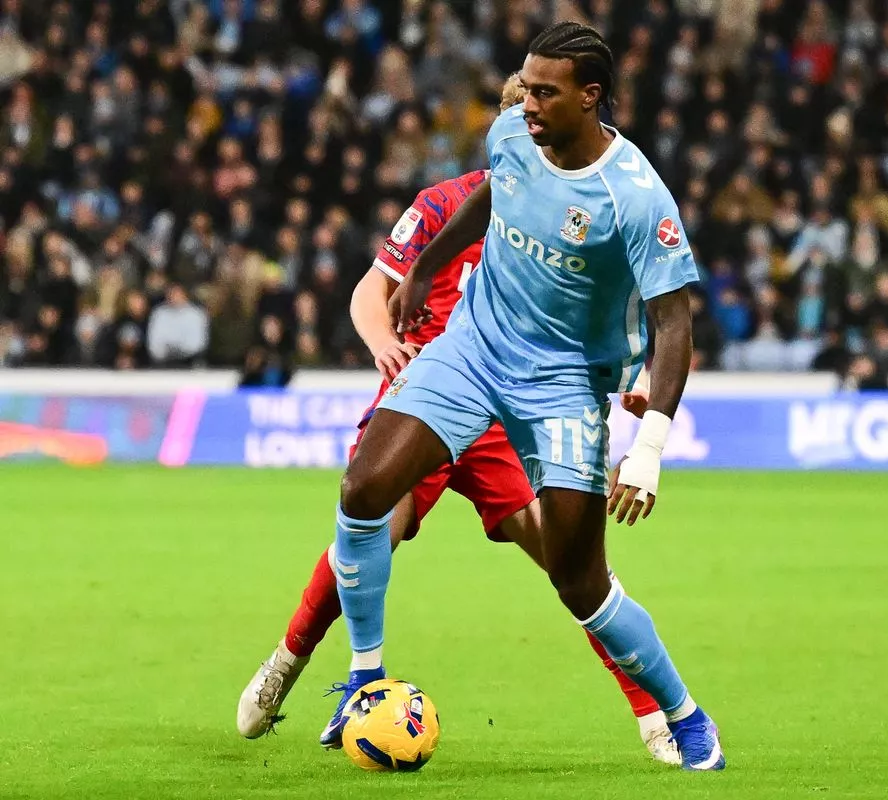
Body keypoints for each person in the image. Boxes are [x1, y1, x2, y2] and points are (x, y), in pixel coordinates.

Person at [236, 76, 678, 765]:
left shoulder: (578, 208)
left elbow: (618, 309)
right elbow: (370, 289)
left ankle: (652, 712)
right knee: (369, 524)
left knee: (571, 562)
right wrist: (383, 340)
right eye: (515, 120)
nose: (526, 134)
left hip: (510, 414)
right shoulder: (444, 203)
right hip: (436, 394)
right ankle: (291, 663)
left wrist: (636, 373)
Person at [332, 22, 723, 770]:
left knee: (579, 581)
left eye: (546, 91)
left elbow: (675, 324)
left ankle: (684, 712)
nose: (526, 102)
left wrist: (649, 449)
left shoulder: (635, 196)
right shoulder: (513, 131)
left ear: (591, 96)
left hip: (565, 381)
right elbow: (491, 197)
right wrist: (426, 267)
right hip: (472, 348)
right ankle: (365, 674)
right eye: (526, 84)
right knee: (363, 490)